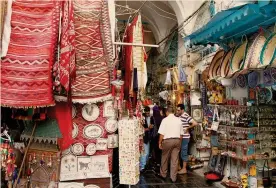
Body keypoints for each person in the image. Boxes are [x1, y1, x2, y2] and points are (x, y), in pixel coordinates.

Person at [157, 106, 184, 183]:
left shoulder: (165, 120)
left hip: (168, 141)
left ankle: (163, 174)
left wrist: (159, 142)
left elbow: (162, 133)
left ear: (167, 112)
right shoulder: (179, 120)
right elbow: (181, 134)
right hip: (177, 140)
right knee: (175, 159)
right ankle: (173, 177)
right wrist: (179, 142)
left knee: (165, 157)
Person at [176, 104, 198, 174]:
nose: (177, 111)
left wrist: (187, 128)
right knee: (178, 151)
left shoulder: (186, 115)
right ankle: (179, 167)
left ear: (182, 110)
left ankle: (184, 169)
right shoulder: (179, 116)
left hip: (185, 137)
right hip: (180, 137)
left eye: (179, 110)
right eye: (177, 110)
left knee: (184, 152)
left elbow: (195, 123)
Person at [140, 106, 154, 173]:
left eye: (149, 113)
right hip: (143, 138)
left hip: (149, 138)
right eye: (147, 113)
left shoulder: (151, 118)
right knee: (144, 153)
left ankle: (144, 165)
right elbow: (141, 129)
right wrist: (148, 128)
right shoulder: (142, 118)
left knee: (147, 153)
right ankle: (142, 166)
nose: (148, 114)